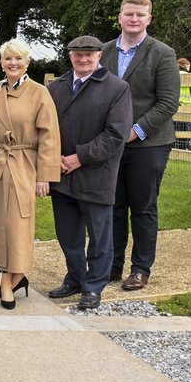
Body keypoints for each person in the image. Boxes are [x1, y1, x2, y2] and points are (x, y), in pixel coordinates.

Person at [46, 36, 132, 310]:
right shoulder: (55, 87)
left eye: (89, 55)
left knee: (99, 237)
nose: (83, 60)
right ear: (70, 56)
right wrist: (53, 157)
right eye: (77, 55)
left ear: (99, 56)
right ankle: (76, 278)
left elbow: (115, 134)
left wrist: (80, 157)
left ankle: (94, 286)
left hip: (96, 174)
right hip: (62, 174)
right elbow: (45, 128)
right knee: (68, 234)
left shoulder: (117, 88)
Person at [100, 0, 180, 291]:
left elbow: (168, 102)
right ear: (119, 17)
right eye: (129, 14)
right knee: (113, 205)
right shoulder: (103, 52)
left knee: (143, 208)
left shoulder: (162, 53)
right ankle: (111, 265)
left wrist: (136, 130)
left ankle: (140, 269)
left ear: (149, 19)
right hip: (111, 144)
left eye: (140, 15)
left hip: (149, 144)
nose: (134, 19)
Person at [0, 39, 60, 310]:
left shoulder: (39, 93)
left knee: (18, 224)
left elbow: (49, 136)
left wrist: (44, 176)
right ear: (1, 62)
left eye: (19, 59)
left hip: (24, 164)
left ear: (28, 62)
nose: (13, 63)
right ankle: (15, 275)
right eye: (8, 58)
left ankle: (8, 280)